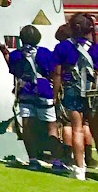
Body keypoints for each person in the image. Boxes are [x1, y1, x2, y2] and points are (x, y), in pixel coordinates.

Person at [53, 13, 98, 180]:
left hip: (72, 89)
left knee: (77, 129)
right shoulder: (97, 48)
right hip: (94, 91)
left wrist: (56, 95)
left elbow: (57, 74)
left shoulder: (62, 47)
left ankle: (79, 169)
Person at [6, 25, 60, 171]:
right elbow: (53, 73)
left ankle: (33, 160)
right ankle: (56, 161)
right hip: (44, 90)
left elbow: (14, 70)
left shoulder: (15, 55)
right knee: (51, 127)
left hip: (25, 91)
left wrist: (5, 54)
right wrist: (55, 93)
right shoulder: (45, 53)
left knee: (27, 127)